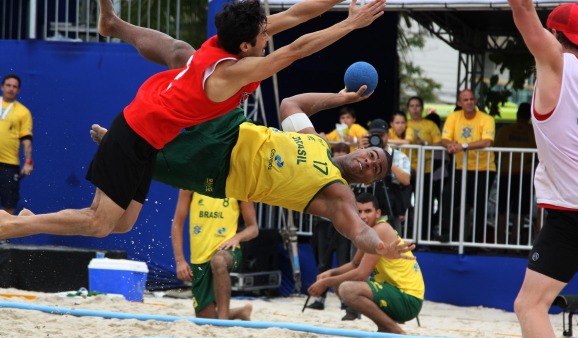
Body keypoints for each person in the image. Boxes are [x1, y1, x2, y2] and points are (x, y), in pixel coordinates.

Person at [0, 0, 393, 248]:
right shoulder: (228, 75)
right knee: (98, 223)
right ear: (245, 46)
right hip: (136, 132)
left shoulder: (225, 44)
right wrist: (350, 26)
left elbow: (295, 15)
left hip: (149, 133)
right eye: (262, 35)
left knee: (121, 224)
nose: (266, 36)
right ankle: (10, 227)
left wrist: (344, 3)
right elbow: (295, 50)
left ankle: (115, 25)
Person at [509, 2, 578, 338]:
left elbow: (521, 9)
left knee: (530, 305)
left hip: (575, 208)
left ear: (555, 36)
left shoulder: (554, 66)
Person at [307, 192, 424, 333]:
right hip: (400, 294)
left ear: (378, 213)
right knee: (341, 284)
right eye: (359, 212)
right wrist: (331, 272)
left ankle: (392, 328)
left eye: (368, 211)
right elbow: (355, 264)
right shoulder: (369, 232)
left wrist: (326, 283)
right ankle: (385, 326)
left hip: (408, 299)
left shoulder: (380, 229)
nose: (363, 216)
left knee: (347, 289)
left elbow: (361, 274)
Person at [172, 191, 258, 320]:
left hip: (227, 250)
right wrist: (180, 261)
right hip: (199, 259)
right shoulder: (190, 183)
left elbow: (253, 228)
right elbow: (177, 224)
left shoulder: (239, 185)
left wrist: (237, 237)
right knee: (205, 319)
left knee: (218, 261)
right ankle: (240, 312)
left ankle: (223, 321)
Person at [437, 89, 496, 244]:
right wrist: (451, 145)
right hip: (460, 167)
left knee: (479, 204)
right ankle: (446, 235)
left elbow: (487, 141)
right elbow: (445, 139)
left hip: (483, 168)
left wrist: (462, 146)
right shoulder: (454, 117)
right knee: (448, 196)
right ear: (459, 103)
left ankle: (475, 241)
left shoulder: (487, 118)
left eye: (471, 99)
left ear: (475, 101)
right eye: (465, 100)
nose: (469, 102)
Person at [307, 142, 353, 311]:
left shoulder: (352, 174)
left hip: (342, 225)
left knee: (343, 262)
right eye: (337, 154)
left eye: (343, 154)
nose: (340, 158)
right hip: (324, 223)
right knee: (322, 262)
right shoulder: (324, 169)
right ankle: (320, 298)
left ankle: (344, 299)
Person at [494, 102, 537, 245]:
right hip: (525, 175)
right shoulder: (533, 132)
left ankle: (499, 242)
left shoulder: (506, 130)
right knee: (521, 211)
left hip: (507, 173)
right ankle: (514, 243)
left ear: (517, 114)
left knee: (503, 210)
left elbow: (496, 150)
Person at [359, 118, 411, 231]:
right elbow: (353, 178)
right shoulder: (361, 154)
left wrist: (386, 159)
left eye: (381, 135)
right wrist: (360, 151)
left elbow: (406, 180)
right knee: (360, 247)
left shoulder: (399, 156)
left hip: (390, 210)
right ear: (368, 136)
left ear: (388, 136)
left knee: (392, 246)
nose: (377, 139)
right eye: (374, 135)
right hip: (364, 213)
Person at [405, 97, 442, 239]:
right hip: (406, 171)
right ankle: (406, 235)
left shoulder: (430, 125)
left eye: (417, 106)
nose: (414, 108)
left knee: (425, 204)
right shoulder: (404, 123)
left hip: (425, 170)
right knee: (405, 204)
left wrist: (425, 143)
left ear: (422, 108)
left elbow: (439, 144)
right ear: (408, 108)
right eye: (412, 105)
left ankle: (424, 236)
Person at [0, 74, 33, 215]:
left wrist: (28, 161)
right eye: (8, 85)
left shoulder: (23, 112)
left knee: (9, 203)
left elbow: (26, 140)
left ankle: (4, 237)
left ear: (18, 90)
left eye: (15, 86)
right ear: (2, 87)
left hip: (9, 165)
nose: (11, 89)